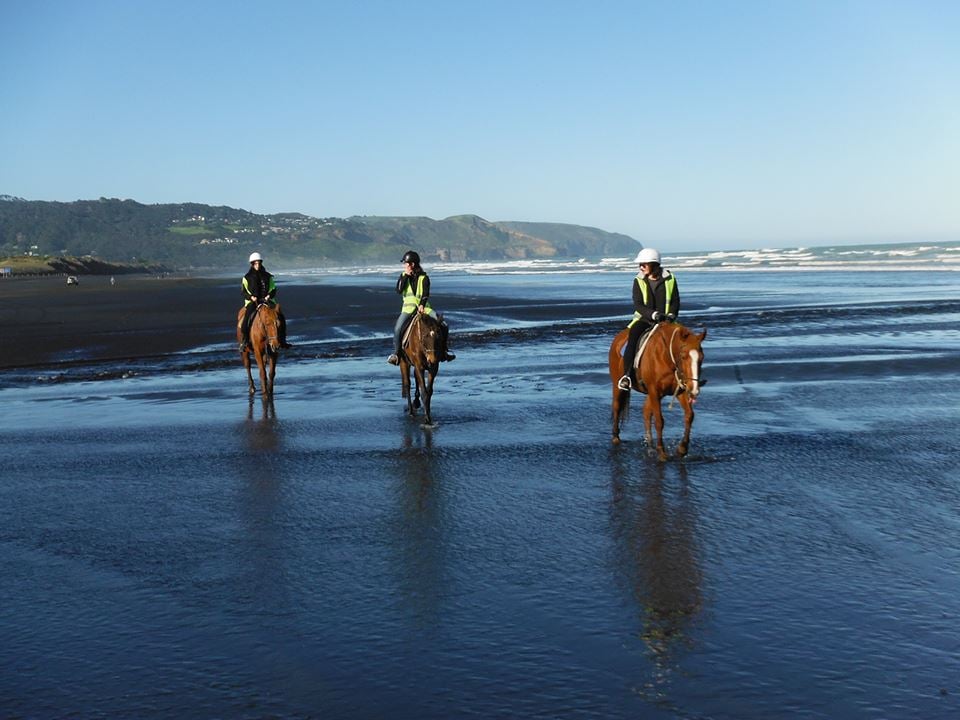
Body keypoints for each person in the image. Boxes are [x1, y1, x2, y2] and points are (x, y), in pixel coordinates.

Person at [618, 247, 679, 391]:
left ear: (654, 264)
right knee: (633, 337)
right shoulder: (638, 280)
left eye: (644, 264)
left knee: (684, 342)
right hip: (645, 320)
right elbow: (638, 304)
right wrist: (653, 314)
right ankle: (626, 376)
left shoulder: (670, 279)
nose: (641, 267)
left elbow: (675, 300)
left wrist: (671, 315)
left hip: (667, 321)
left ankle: (685, 377)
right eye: (640, 264)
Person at [387, 250, 456, 365]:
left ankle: (444, 351)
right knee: (397, 329)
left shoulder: (424, 278)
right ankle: (396, 354)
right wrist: (405, 277)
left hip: (424, 308)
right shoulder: (403, 276)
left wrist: (422, 305)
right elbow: (398, 290)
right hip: (408, 309)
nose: (405, 265)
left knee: (444, 325)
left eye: (406, 263)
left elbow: (425, 294)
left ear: (412, 264)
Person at [240, 252, 292, 351]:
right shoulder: (246, 277)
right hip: (253, 302)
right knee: (246, 319)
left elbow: (273, 289)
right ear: (252, 264)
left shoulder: (268, 276)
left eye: (259, 263)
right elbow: (244, 291)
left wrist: (269, 295)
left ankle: (283, 340)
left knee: (280, 317)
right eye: (255, 263)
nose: (257, 265)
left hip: (267, 300)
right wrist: (251, 297)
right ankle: (245, 341)